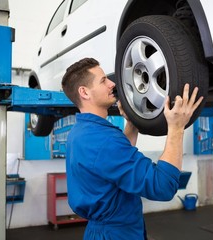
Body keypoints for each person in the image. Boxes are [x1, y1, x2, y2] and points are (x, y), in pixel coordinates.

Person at [61, 57, 203, 240]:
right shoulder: (102, 140)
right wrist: (176, 128)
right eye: (103, 80)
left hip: (103, 231)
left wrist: (132, 124)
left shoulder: (81, 133)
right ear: (85, 92)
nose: (112, 83)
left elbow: (115, 164)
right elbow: (163, 186)